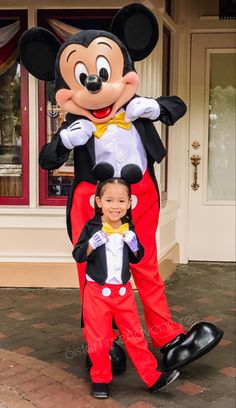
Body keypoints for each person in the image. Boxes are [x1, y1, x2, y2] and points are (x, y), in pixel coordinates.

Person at [20, 3, 223, 373]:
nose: (94, 84)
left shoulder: (136, 108)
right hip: (91, 201)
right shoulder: (75, 125)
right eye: (81, 78)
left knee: (144, 262)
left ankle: (167, 337)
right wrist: (65, 141)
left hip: (139, 195)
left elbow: (176, 107)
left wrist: (152, 108)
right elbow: (47, 159)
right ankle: (104, 343)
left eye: (101, 72)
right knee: (92, 271)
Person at [73, 177, 179, 398]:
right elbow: (78, 254)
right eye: (109, 200)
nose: (115, 206)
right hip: (97, 294)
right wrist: (92, 244)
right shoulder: (91, 227)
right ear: (99, 202)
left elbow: (137, 257)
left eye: (121, 201)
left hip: (123, 293)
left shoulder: (129, 227)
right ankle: (100, 379)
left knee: (135, 337)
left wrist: (134, 245)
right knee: (99, 340)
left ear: (130, 203)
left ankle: (152, 377)